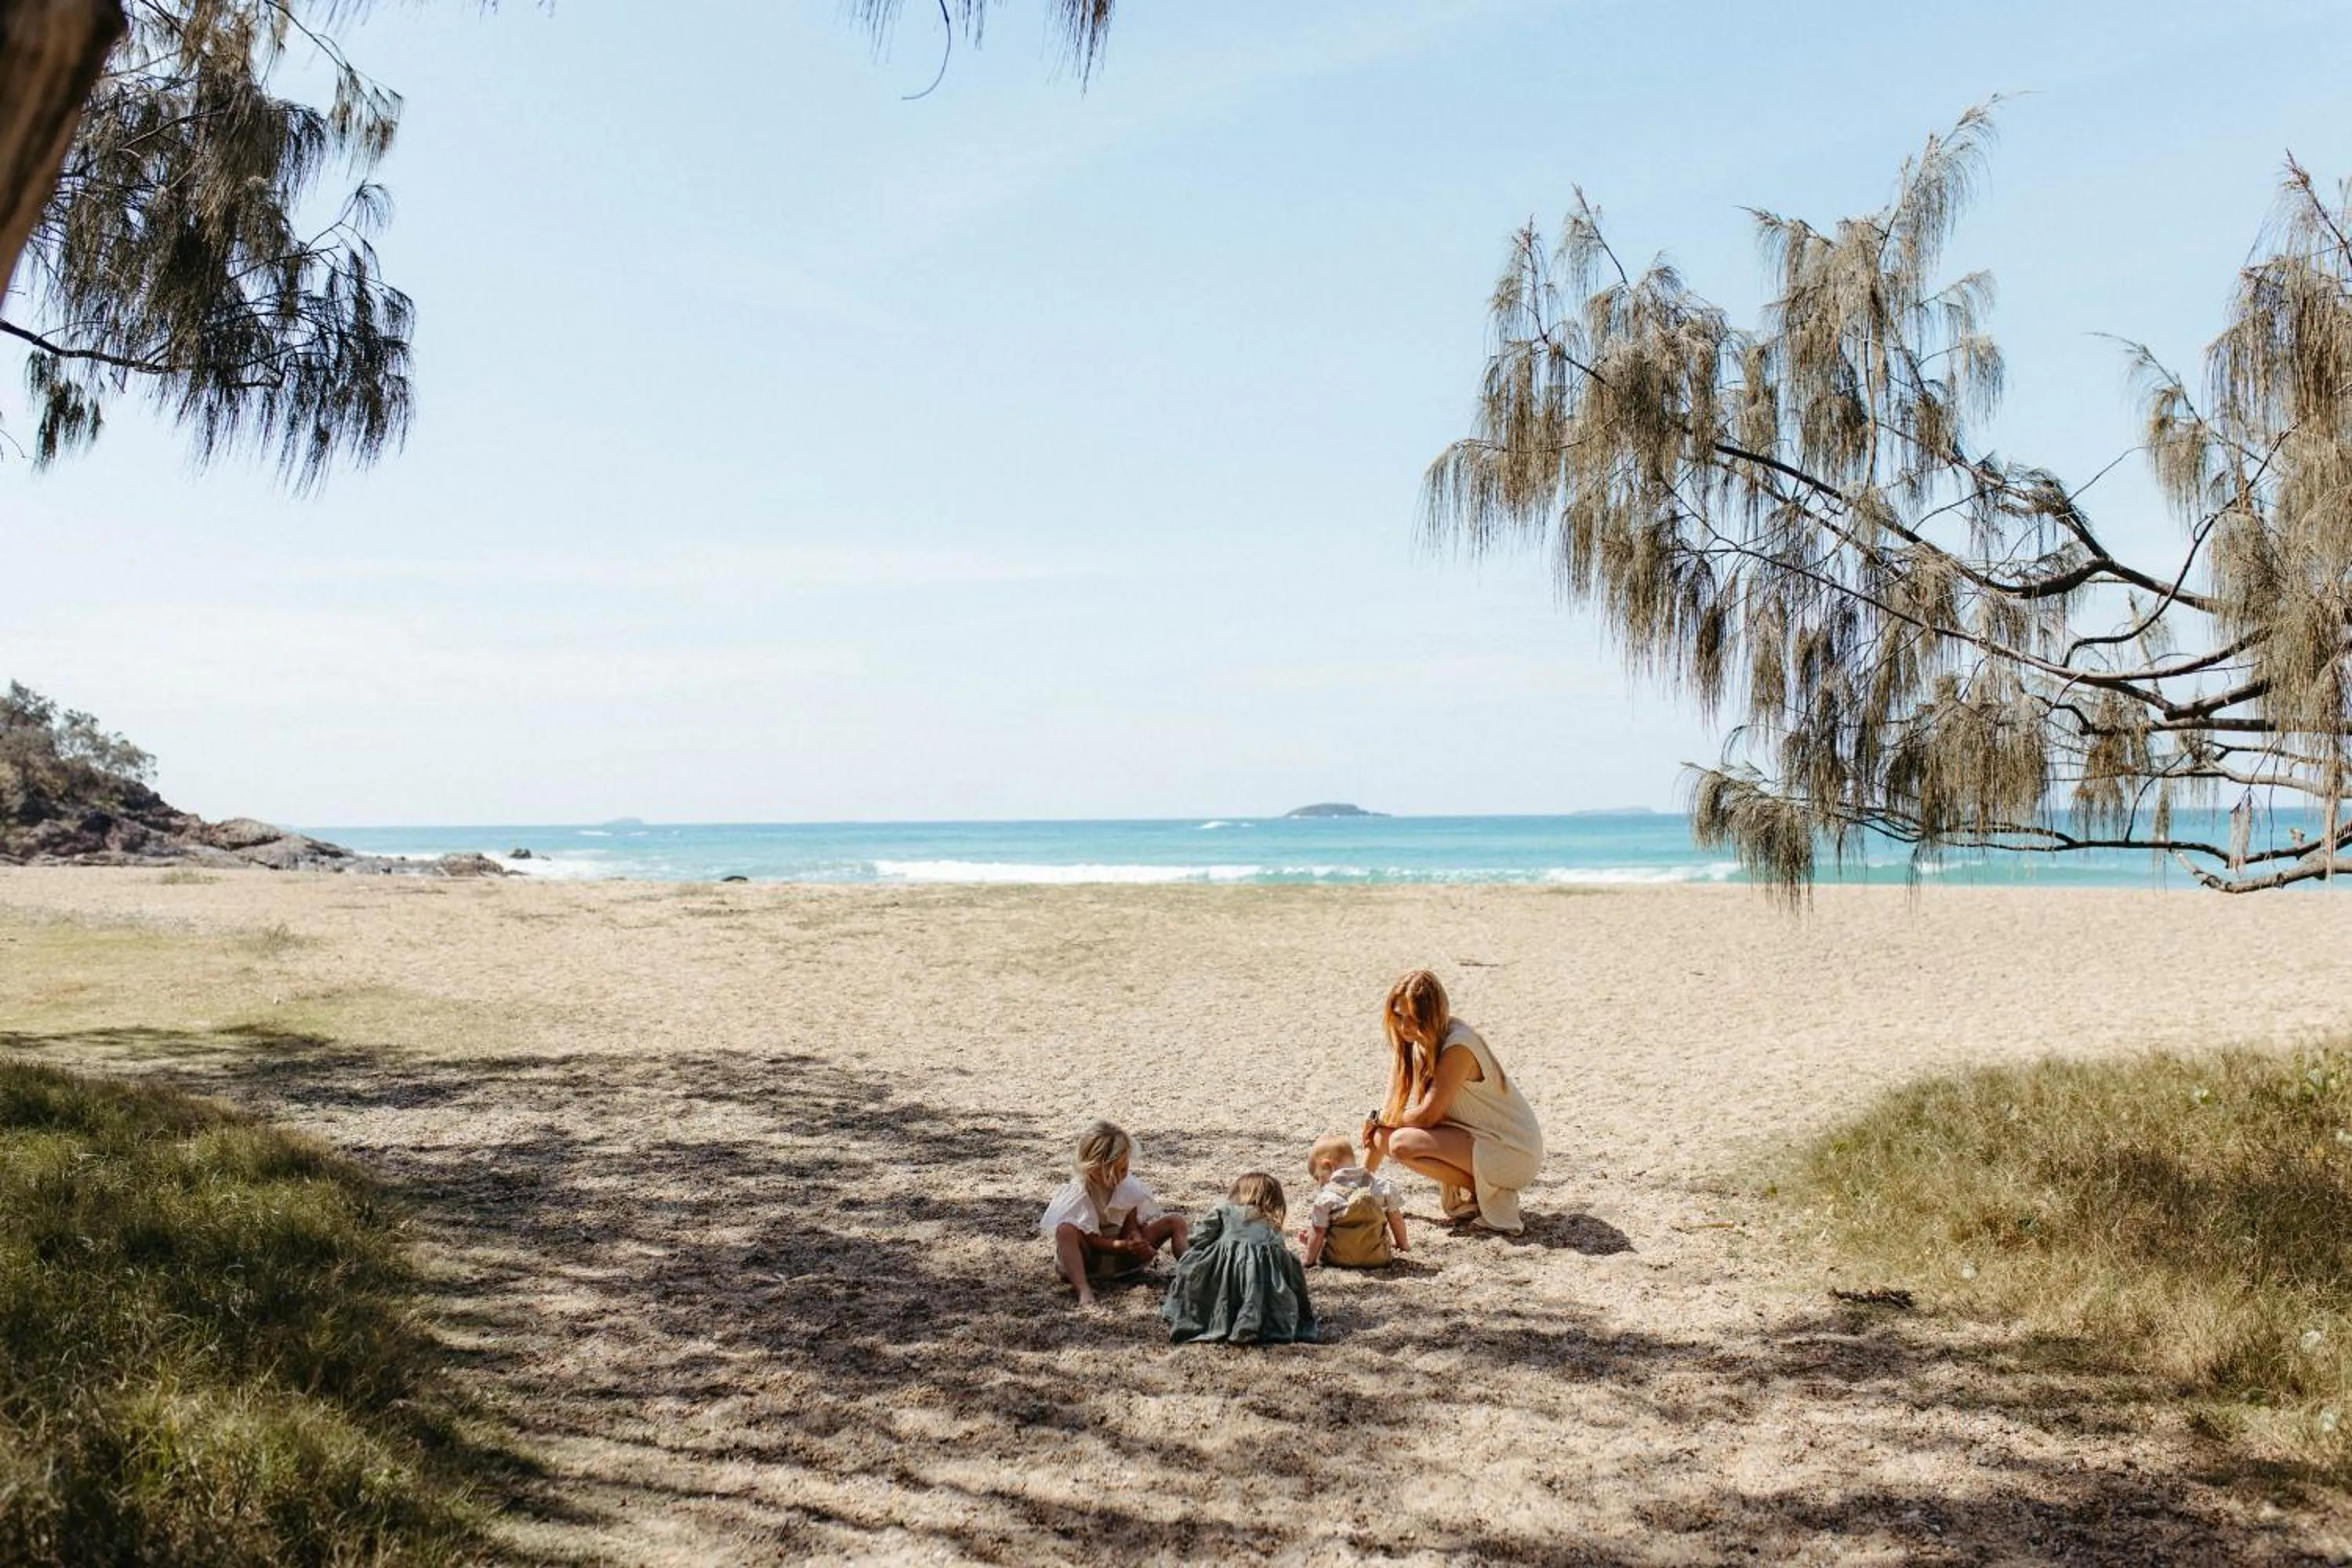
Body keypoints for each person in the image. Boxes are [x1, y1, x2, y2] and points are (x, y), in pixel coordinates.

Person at [1361, 968, 1544, 1234]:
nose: (1404, 1026)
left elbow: (1426, 1117)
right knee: (1381, 1137)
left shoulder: (1459, 1046)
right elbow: (1390, 1110)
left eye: (1413, 1018)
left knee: (1401, 1143)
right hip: (1477, 1137)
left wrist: (1382, 1117)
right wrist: (1352, 1188)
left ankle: (1482, 1191)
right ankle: (1356, 1189)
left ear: (1432, 1015)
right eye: (1398, 1016)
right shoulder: (1414, 1042)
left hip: (1513, 1149)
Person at [1040, 1120, 1189, 1308]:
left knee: (1175, 1221)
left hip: (1122, 1259)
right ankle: (1083, 1288)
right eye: (1114, 1172)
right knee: (1065, 1231)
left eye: (1124, 1169)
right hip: (1090, 1260)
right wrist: (1121, 1246)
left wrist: (1134, 1238)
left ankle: (1190, 1268)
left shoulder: (1127, 1185)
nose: (1121, 1176)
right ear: (1093, 1169)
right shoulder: (1080, 1192)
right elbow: (1091, 1239)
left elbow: (1130, 1220)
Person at [1160, 1172, 1318, 1345]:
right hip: (1262, 1287)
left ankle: (1219, 1315)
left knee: (1191, 1262)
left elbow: (1199, 1239)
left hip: (1225, 1278)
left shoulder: (1225, 1210)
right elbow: (1280, 1263)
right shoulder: (1273, 1221)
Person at [1300, 1132, 1407, 1268]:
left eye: (1318, 1178)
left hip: (1337, 1259)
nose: (1320, 1185)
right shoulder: (1383, 1187)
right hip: (1379, 1258)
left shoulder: (1326, 1197)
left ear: (1328, 1166)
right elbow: (1396, 1219)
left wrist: (1309, 1259)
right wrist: (1403, 1246)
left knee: (1321, 1238)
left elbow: (1319, 1231)